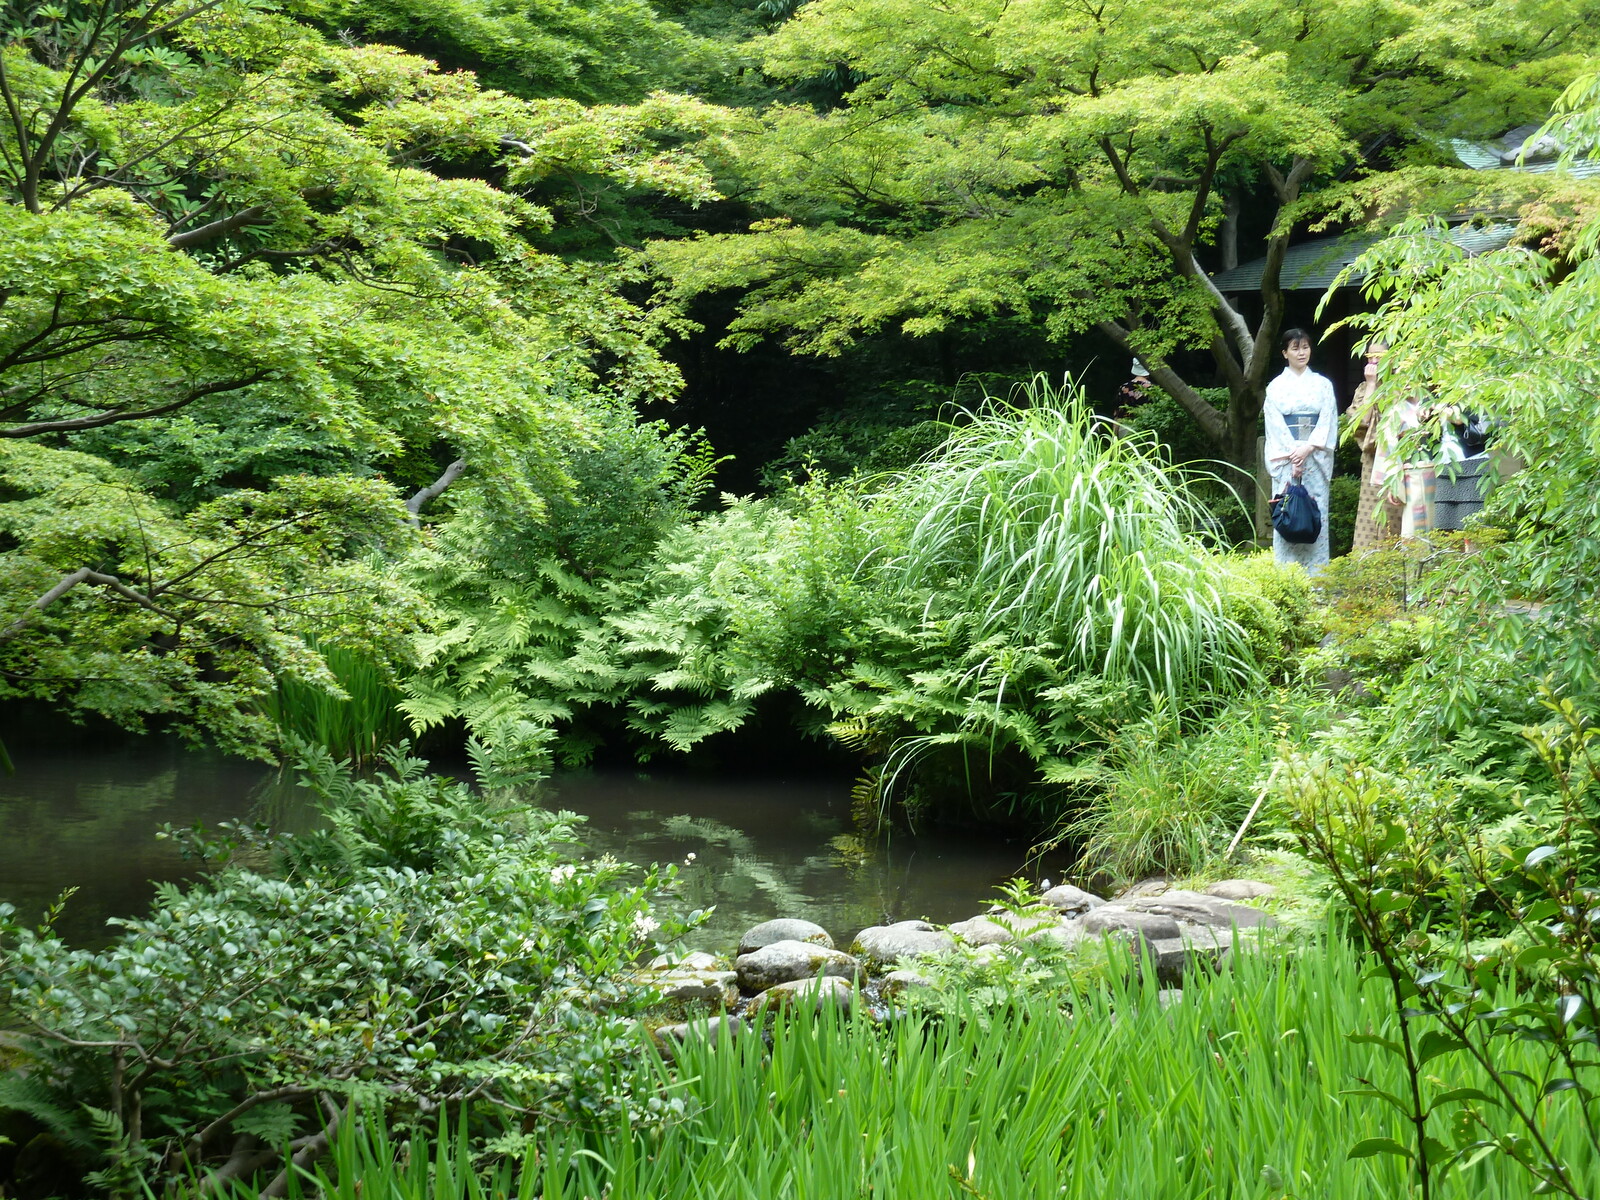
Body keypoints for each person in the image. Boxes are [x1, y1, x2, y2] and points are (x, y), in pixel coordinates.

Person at [1263, 327, 1337, 574]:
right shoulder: (1275, 387)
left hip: (1314, 457)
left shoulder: (1323, 385)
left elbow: (1327, 418)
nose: (1301, 352)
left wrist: (1307, 447)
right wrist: (1294, 453)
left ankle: (1318, 577)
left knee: (1315, 512)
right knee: (1288, 510)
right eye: (1295, 348)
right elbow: (1274, 423)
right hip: (1287, 459)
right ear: (1285, 353)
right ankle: (1287, 577)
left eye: (1305, 347)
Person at [1348, 342, 1401, 552]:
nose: (1374, 361)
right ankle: (1366, 574)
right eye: (1370, 356)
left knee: (1396, 517)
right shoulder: (1363, 388)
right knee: (1370, 518)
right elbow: (1361, 422)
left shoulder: (1402, 385)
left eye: (1380, 356)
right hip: (1372, 463)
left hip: (1399, 461)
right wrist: (1371, 385)